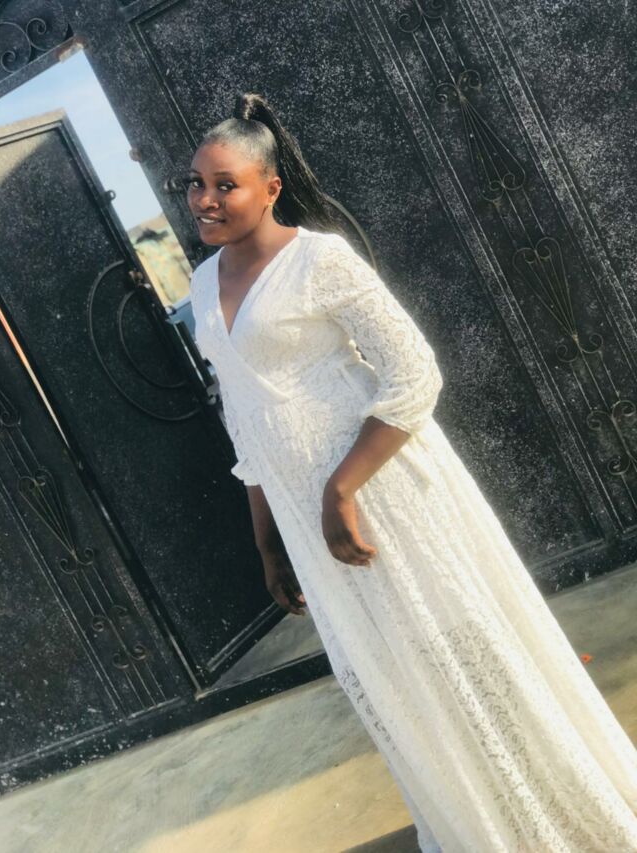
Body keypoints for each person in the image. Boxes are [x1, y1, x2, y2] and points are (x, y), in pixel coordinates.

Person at [186, 91, 637, 852]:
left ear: (270, 187)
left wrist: (341, 488)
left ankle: (558, 811)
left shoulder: (319, 261)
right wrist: (268, 539)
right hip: (303, 511)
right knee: (397, 677)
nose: (204, 199)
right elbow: (246, 419)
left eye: (224, 184)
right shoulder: (202, 285)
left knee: (464, 650)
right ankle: (481, 825)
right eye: (195, 183)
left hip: (382, 491)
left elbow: (415, 373)